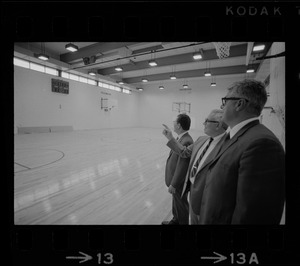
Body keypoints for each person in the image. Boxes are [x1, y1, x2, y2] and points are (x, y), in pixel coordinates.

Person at [201, 79, 284, 224]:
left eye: (225, 101)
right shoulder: (234, 136)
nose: (222, 106)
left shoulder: (262, 144)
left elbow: (253, 215)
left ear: (239, 104)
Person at [163, 109, 228, 224]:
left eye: (207, 121)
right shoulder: (201, 139)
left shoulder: (228, 146)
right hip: (193, 190)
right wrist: (170, 138)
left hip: (207, 197)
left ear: (218, 125)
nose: (203, 123)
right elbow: (184, 153)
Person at [162, 113, 193, 225]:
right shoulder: (182, 138)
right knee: (176, 202)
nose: (173, 124)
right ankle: (176, 220)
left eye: (174, 122)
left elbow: (182, 166)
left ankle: (182, 223)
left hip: (179, 182)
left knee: (181, 204)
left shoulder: (186, 141)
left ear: (179, 125)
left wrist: (174, 183)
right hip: (176, 181)